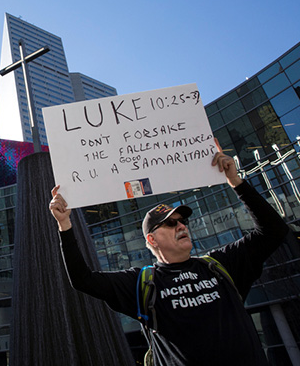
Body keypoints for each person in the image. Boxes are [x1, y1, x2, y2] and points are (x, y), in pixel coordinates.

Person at [49, 146, 290, 366]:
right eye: (170, 224)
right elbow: (82, 279)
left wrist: (236, 182)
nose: (181, 226)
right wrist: (65, 225)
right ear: (151, 240)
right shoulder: (142, 284)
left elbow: (274, 231)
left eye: (182, 221)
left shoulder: (221, 265)